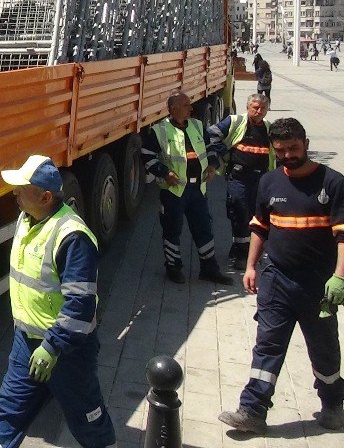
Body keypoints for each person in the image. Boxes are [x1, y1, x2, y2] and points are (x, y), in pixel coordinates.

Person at [218, 117, 344, 434]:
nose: (289, 154)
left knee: (324, 350)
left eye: (294, 148)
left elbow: (343, 235)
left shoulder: (333, 183)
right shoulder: (270, 182)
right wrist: (251, 266)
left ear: (306, 144)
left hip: (319, 285)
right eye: (282, 150)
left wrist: (340, 277)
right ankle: (252, 411)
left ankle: (333, 405)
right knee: (267, 346)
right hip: (276, 279)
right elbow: (260, 226)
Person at [0, 155, 115, 448]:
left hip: (67, 353)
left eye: (21, 189)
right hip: (27, 343)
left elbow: (80, 305)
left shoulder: (72, 237)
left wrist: (52, 347)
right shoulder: (26, 218)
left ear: (44, 196)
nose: (14, 193)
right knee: (9, 413)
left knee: (88, 420)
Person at [141, 91, 233, 285]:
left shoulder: (198, 126)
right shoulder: (160, 130)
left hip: (198, 190)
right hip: (174, 191)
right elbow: (147, 155)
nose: (191, 108)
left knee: (204, 228)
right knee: (172, 229)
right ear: (173, 109)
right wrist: (164, 172)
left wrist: (212, 166)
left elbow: (211, 149)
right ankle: (173, 268)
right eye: (186, 105)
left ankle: (209, 269)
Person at [207, 94, 275, 271]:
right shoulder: (235, 121)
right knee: (240, 212)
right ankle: (241, 254)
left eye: (262, 108)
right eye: (255, 107)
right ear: (247, 107)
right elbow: (211, 134)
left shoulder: (268, 128)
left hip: (260, 179)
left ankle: (248, 251)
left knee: (257, 216)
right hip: (239, 178)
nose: (258, 111)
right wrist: (224, 151)